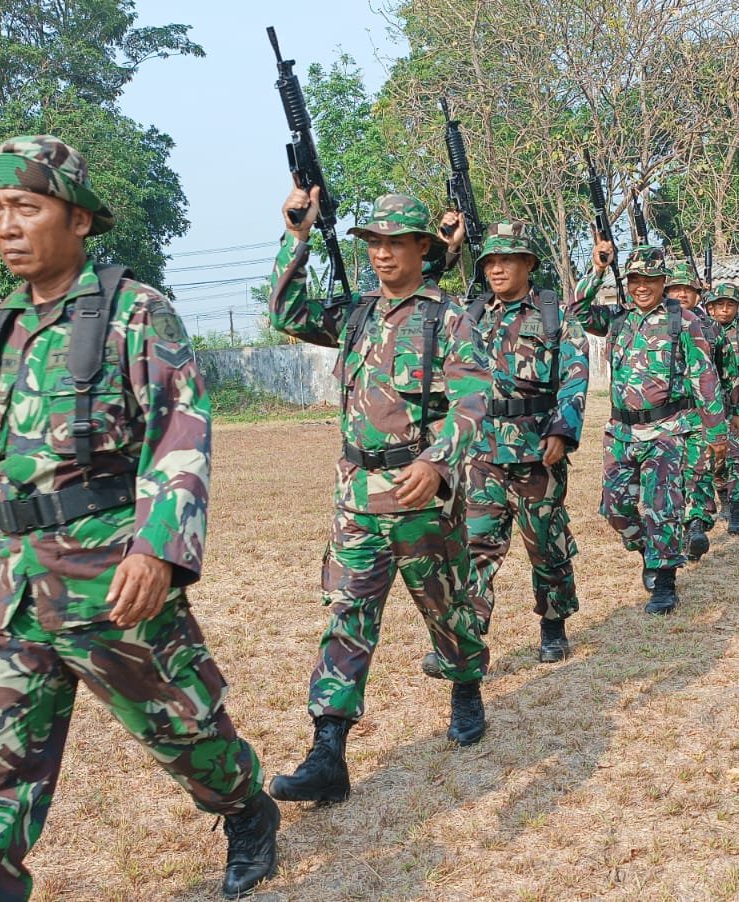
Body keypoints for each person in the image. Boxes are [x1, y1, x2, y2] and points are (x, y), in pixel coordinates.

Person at [0, 136, 277, 900]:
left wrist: (157, 550)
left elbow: (180, 432)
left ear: (80, 218)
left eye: (26, 206)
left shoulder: (136, 311)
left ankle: (246, 807)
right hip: (12, 586)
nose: (6, 226)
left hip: (109, 573)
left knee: (185, 735)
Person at [266, 187, 493, 807]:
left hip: (420, 496)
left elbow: (475, 402)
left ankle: (466, 680)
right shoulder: (356, 313)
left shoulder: (448, 317)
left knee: (445, 611)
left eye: (396, 242)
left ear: (424, 247)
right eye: (373, 243)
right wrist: (298, 235)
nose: (383, 254)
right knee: (348, 614)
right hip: (356, 496)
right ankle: (328, 751)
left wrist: (437, 462)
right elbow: (285, 313)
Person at [451, 221, 588, 664]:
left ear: (528, 263)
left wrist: (562, 431)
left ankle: (553, 626)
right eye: (490, 260)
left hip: (535, 453)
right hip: (482, 453)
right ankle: (468, 639)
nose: (496, 268)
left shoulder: (553, 317)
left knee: (545, 546)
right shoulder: (469, 317)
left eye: (506, 259)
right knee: (474, 548)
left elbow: (574, 377)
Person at [574, 242, 725, 614]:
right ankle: (648, 550)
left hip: (666, 430)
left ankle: (664, 580)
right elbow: (576, 310)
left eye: (650, 279)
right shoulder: (617, 318)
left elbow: (704, 376)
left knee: (663, 507)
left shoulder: (683, 321)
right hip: (620, 432)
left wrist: (716, 431)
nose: (642, 286)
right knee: (615, 507)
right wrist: (596, 270)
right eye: (635, 279)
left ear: (663, 281)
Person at [668, 262, 739, 562]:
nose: (681, 294)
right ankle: (675, 531)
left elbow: (729, 371)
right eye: (675, 289)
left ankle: (695, 525)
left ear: (698, 295)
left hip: (700, 414)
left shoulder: (711, 328)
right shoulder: (652, 325)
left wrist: (735, 410)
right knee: (668, 479)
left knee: (697, 472)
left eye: (688, 290)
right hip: (662, 418)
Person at [704, 283, 739, 535]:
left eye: (730, 305)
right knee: (716, 460)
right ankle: (722, 496)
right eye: (719, 305)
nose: (725, 310)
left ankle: (738, 513)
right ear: (710, 307)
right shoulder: (698, 331)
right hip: (708, 407)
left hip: (738, 404)